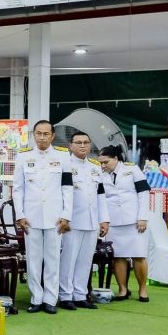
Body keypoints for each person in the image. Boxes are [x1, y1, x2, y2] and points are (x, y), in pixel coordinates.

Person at [13, 120, 73, 314]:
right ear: (33, 135)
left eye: (46, 134)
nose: (42, 137)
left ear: (52, 136)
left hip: (55, 217)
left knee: (53, 259)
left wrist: (66, 214)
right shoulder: (23, 156)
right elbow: (18, 189)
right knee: (33, 260)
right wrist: (20, 214)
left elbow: (67, 188)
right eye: (38, 133)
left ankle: (50, 299)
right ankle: (36, 298)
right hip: (31, 217)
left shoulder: (63, 156)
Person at [60, 131, 109, 309]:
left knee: (85, 260)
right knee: (68, 259)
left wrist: (104, 219)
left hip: (91, 220)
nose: (82, 145)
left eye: (86, 142)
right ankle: (65, 295)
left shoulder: (95, 166)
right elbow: (61, 194)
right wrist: (64, 217)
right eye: (78, 142)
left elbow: (101, 195)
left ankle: (80, 295)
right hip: (72, 221)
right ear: (71, 146)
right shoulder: (65, 165)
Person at [99, 146, 150, 302]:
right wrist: (103, 220)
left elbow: (143, 193)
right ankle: (122, 289)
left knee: (138, 255)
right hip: (113, 220)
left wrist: (142, 217)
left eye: (106, 162)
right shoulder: (100, 174)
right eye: (101, 163)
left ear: (116, 158)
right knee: (118, 256)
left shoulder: (132, 169)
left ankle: (142, 289)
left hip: (134, 220)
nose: (103, 165)